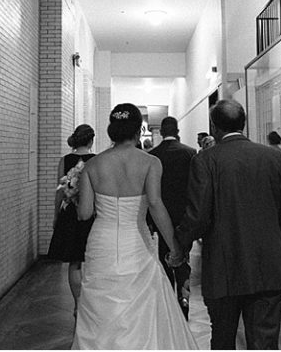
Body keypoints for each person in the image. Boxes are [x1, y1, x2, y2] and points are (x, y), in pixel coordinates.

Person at [72, 104, 197, 349]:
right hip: (136, 241)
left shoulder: (92, 165)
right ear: (138, 130)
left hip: (102, 242)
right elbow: (155, 204)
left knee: (101, 306)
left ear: (111, 130)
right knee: (144, 302)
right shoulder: (150, 162)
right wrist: (175, 248)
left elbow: (85, 213)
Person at [176, 99, 281, 349]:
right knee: (264, 341)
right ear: (243, 124)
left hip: (223, 266)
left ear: (214, 127)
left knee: (222, 337)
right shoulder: (274, 158)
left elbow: (197, 216)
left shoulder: (206, 160)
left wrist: (180, 248)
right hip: (269, 264)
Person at [148, 116, 196, 318]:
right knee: (183, 254)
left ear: (161, 132)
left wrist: (151, 221)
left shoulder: (154, 155)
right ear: (177, 130)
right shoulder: (190, 153)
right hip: (184, 214)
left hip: (162, 214)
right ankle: (183, 296)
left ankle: (169, 297)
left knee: (164, 252)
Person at [46, 124, 96, 319]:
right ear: (91, 140)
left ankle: (77, 303)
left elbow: (60, 190)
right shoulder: (96, 160)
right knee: (91, 261)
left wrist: (56, 215)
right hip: (90, 214)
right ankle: (90, 304)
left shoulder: (65, 160)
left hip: (69, 215)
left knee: (74, 263)